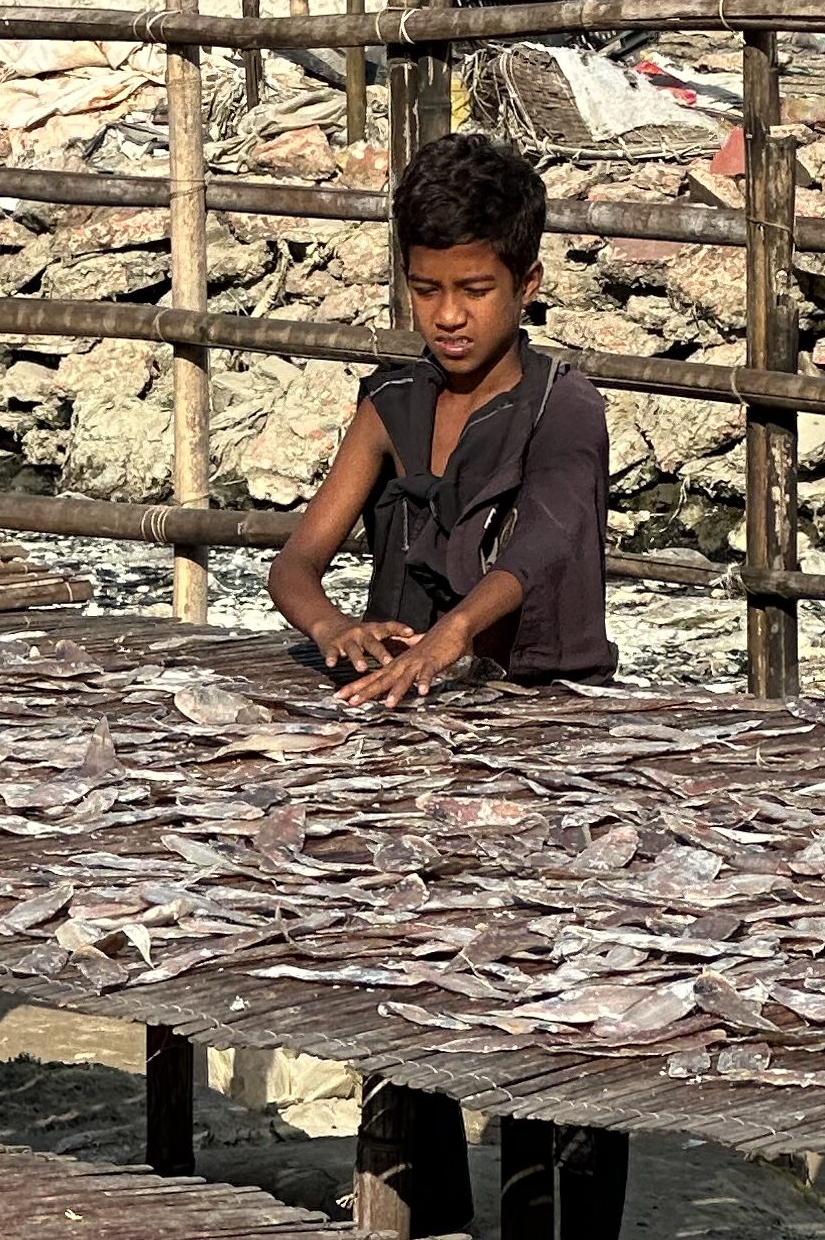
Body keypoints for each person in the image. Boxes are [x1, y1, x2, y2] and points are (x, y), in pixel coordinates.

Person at [266, 133, 623, 1240]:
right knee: (410, 983)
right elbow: (296, 559)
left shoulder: (568, 405)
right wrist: (339, 628)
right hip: (412, 736)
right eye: (427, 289)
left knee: (545, 1003)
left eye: (475, 289)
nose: (450, 315)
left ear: (528, 281)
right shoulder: (390, 402)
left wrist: (451, 637)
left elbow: (545, 545)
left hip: (545, 724)